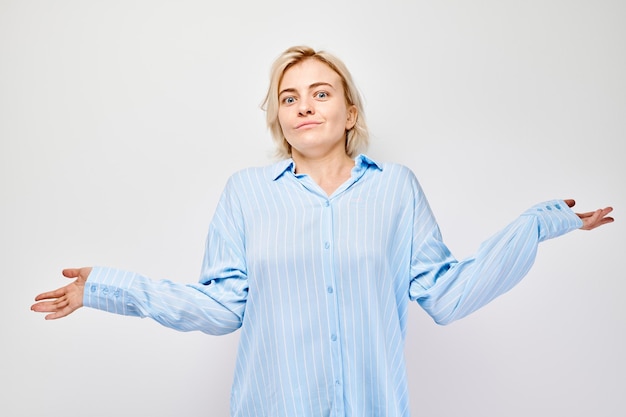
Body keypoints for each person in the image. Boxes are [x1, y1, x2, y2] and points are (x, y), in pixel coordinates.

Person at [31, 45, 614, 417]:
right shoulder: (247, 193)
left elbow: (447, 292)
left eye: (320, 92)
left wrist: (538, 226)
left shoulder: (395, 189)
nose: (304, 106)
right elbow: (219, 307)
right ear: (279, 118)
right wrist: (105, 288)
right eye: (289, 98)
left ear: (349, 112)